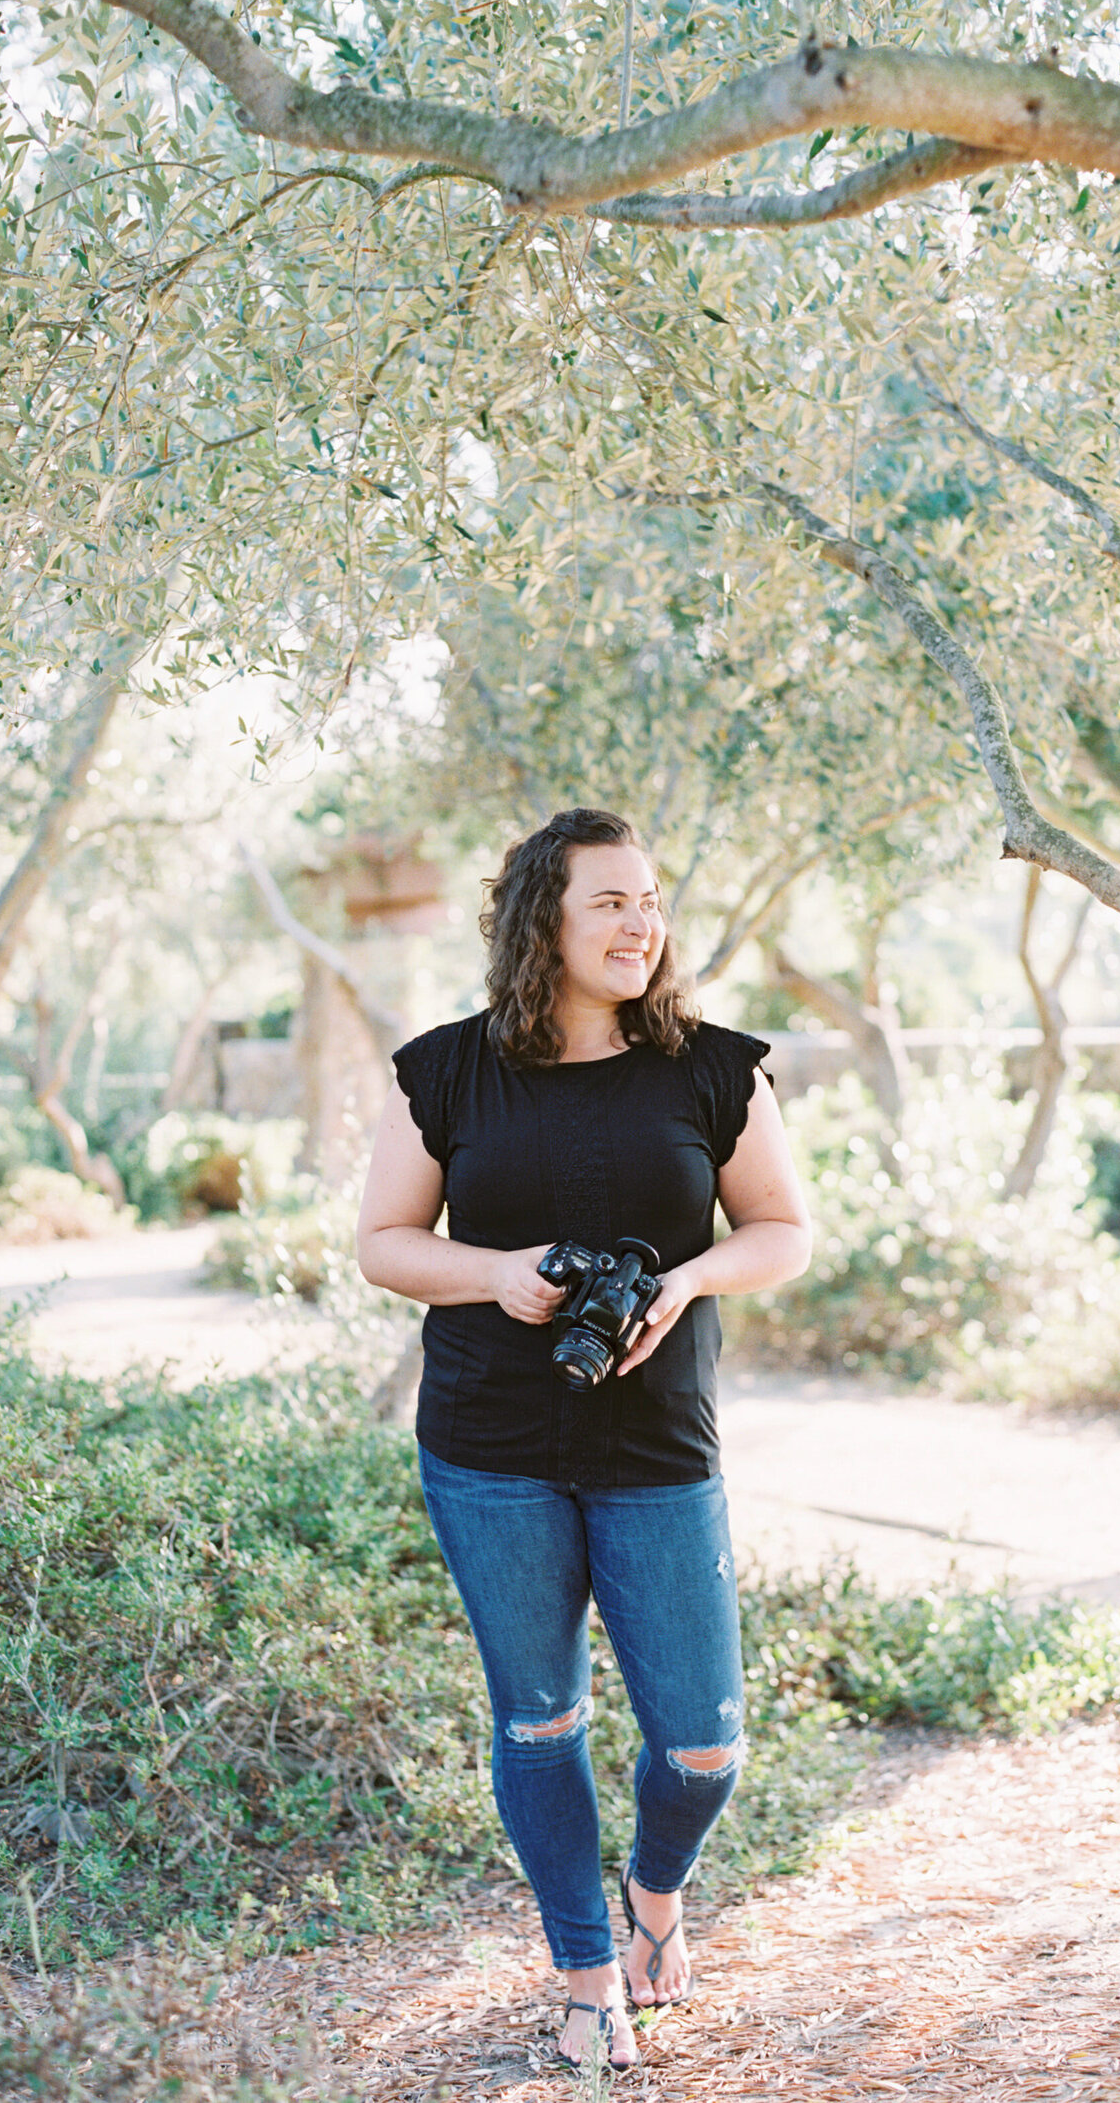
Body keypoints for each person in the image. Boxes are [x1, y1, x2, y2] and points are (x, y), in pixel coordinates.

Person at [356, 808, 812, 2071]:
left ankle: (654, 1893)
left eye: (652, 898)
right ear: (540, 920)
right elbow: (384, 1242)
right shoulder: (445, 1071)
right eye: (611, 898)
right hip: (489, 1448)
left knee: (705, 1745)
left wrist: (683, 1282)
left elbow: (783, 1228)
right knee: (540, 1722)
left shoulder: (713, 1067)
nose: (642, 920)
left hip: (660, 1446)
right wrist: (500, 1274)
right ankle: (585, 1969)